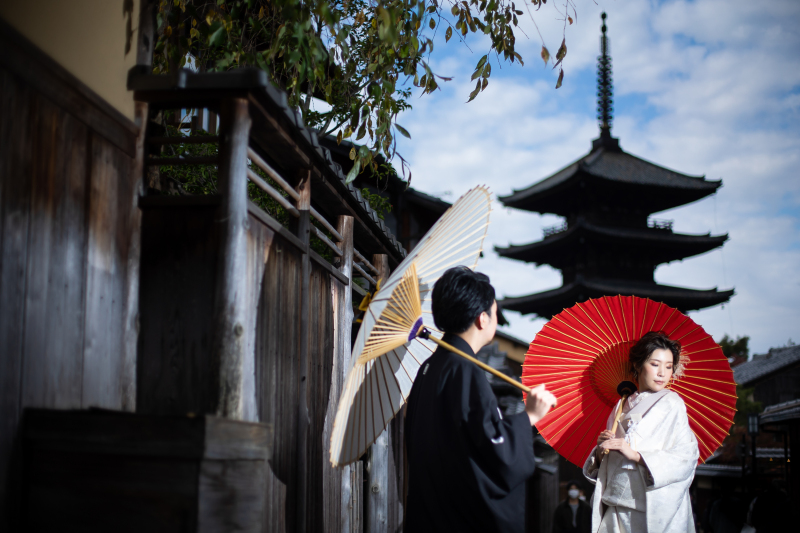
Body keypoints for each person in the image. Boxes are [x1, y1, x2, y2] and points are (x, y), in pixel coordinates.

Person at [405, 266, 557, 533]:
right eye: (495, 312)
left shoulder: (429, 367)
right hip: (459, 519)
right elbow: (497, 454)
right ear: (482, 318)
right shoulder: (465, 371)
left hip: (429, 513)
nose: (495, 319)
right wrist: (530, 416)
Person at [583, 331, 699, 533]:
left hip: (649, 507)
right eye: (655, 364)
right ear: (637, 365)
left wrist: (637, 455)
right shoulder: (621, 404)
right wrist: (602, 451)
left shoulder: (672, 404)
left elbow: (686, 457)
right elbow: (607, 461)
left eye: (669, 366)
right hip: (616, 503)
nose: (662, 373)